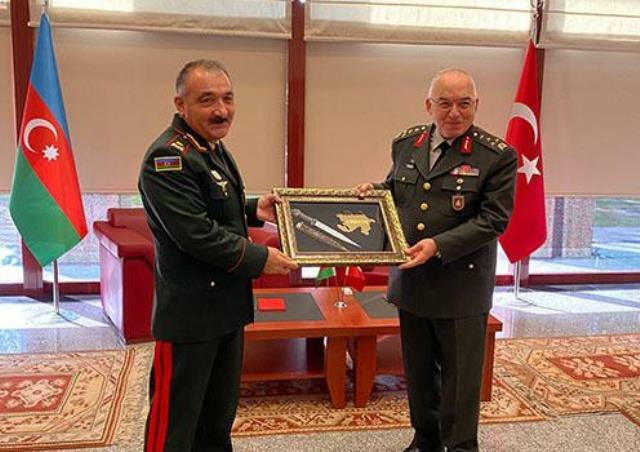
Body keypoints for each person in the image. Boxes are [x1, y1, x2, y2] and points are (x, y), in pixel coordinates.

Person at [138, 59, 298, 452]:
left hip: (226, 309)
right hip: (190, 317)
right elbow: (195, 233)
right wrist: (261, 259)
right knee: (175, 426)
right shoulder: (167, 158)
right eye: (207, 100)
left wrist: (254, 208)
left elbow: (213, 202)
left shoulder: (209, 148)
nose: (221, 110)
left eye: (227, 98)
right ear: (180, 104)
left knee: (216, 421)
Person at [357, 68, 517, 452]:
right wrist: (371, 192)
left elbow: (493, 220)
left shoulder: (496, 156)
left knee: (461, 381)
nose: (454, 113)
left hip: (461, 286)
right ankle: (425, 440)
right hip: (412, 281)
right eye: (445, 103)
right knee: (418, 372)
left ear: (476, 105)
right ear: (429, 105)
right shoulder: (407, 144)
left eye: (464, 104)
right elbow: (397, 191)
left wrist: (438, 245)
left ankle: (460, 446)